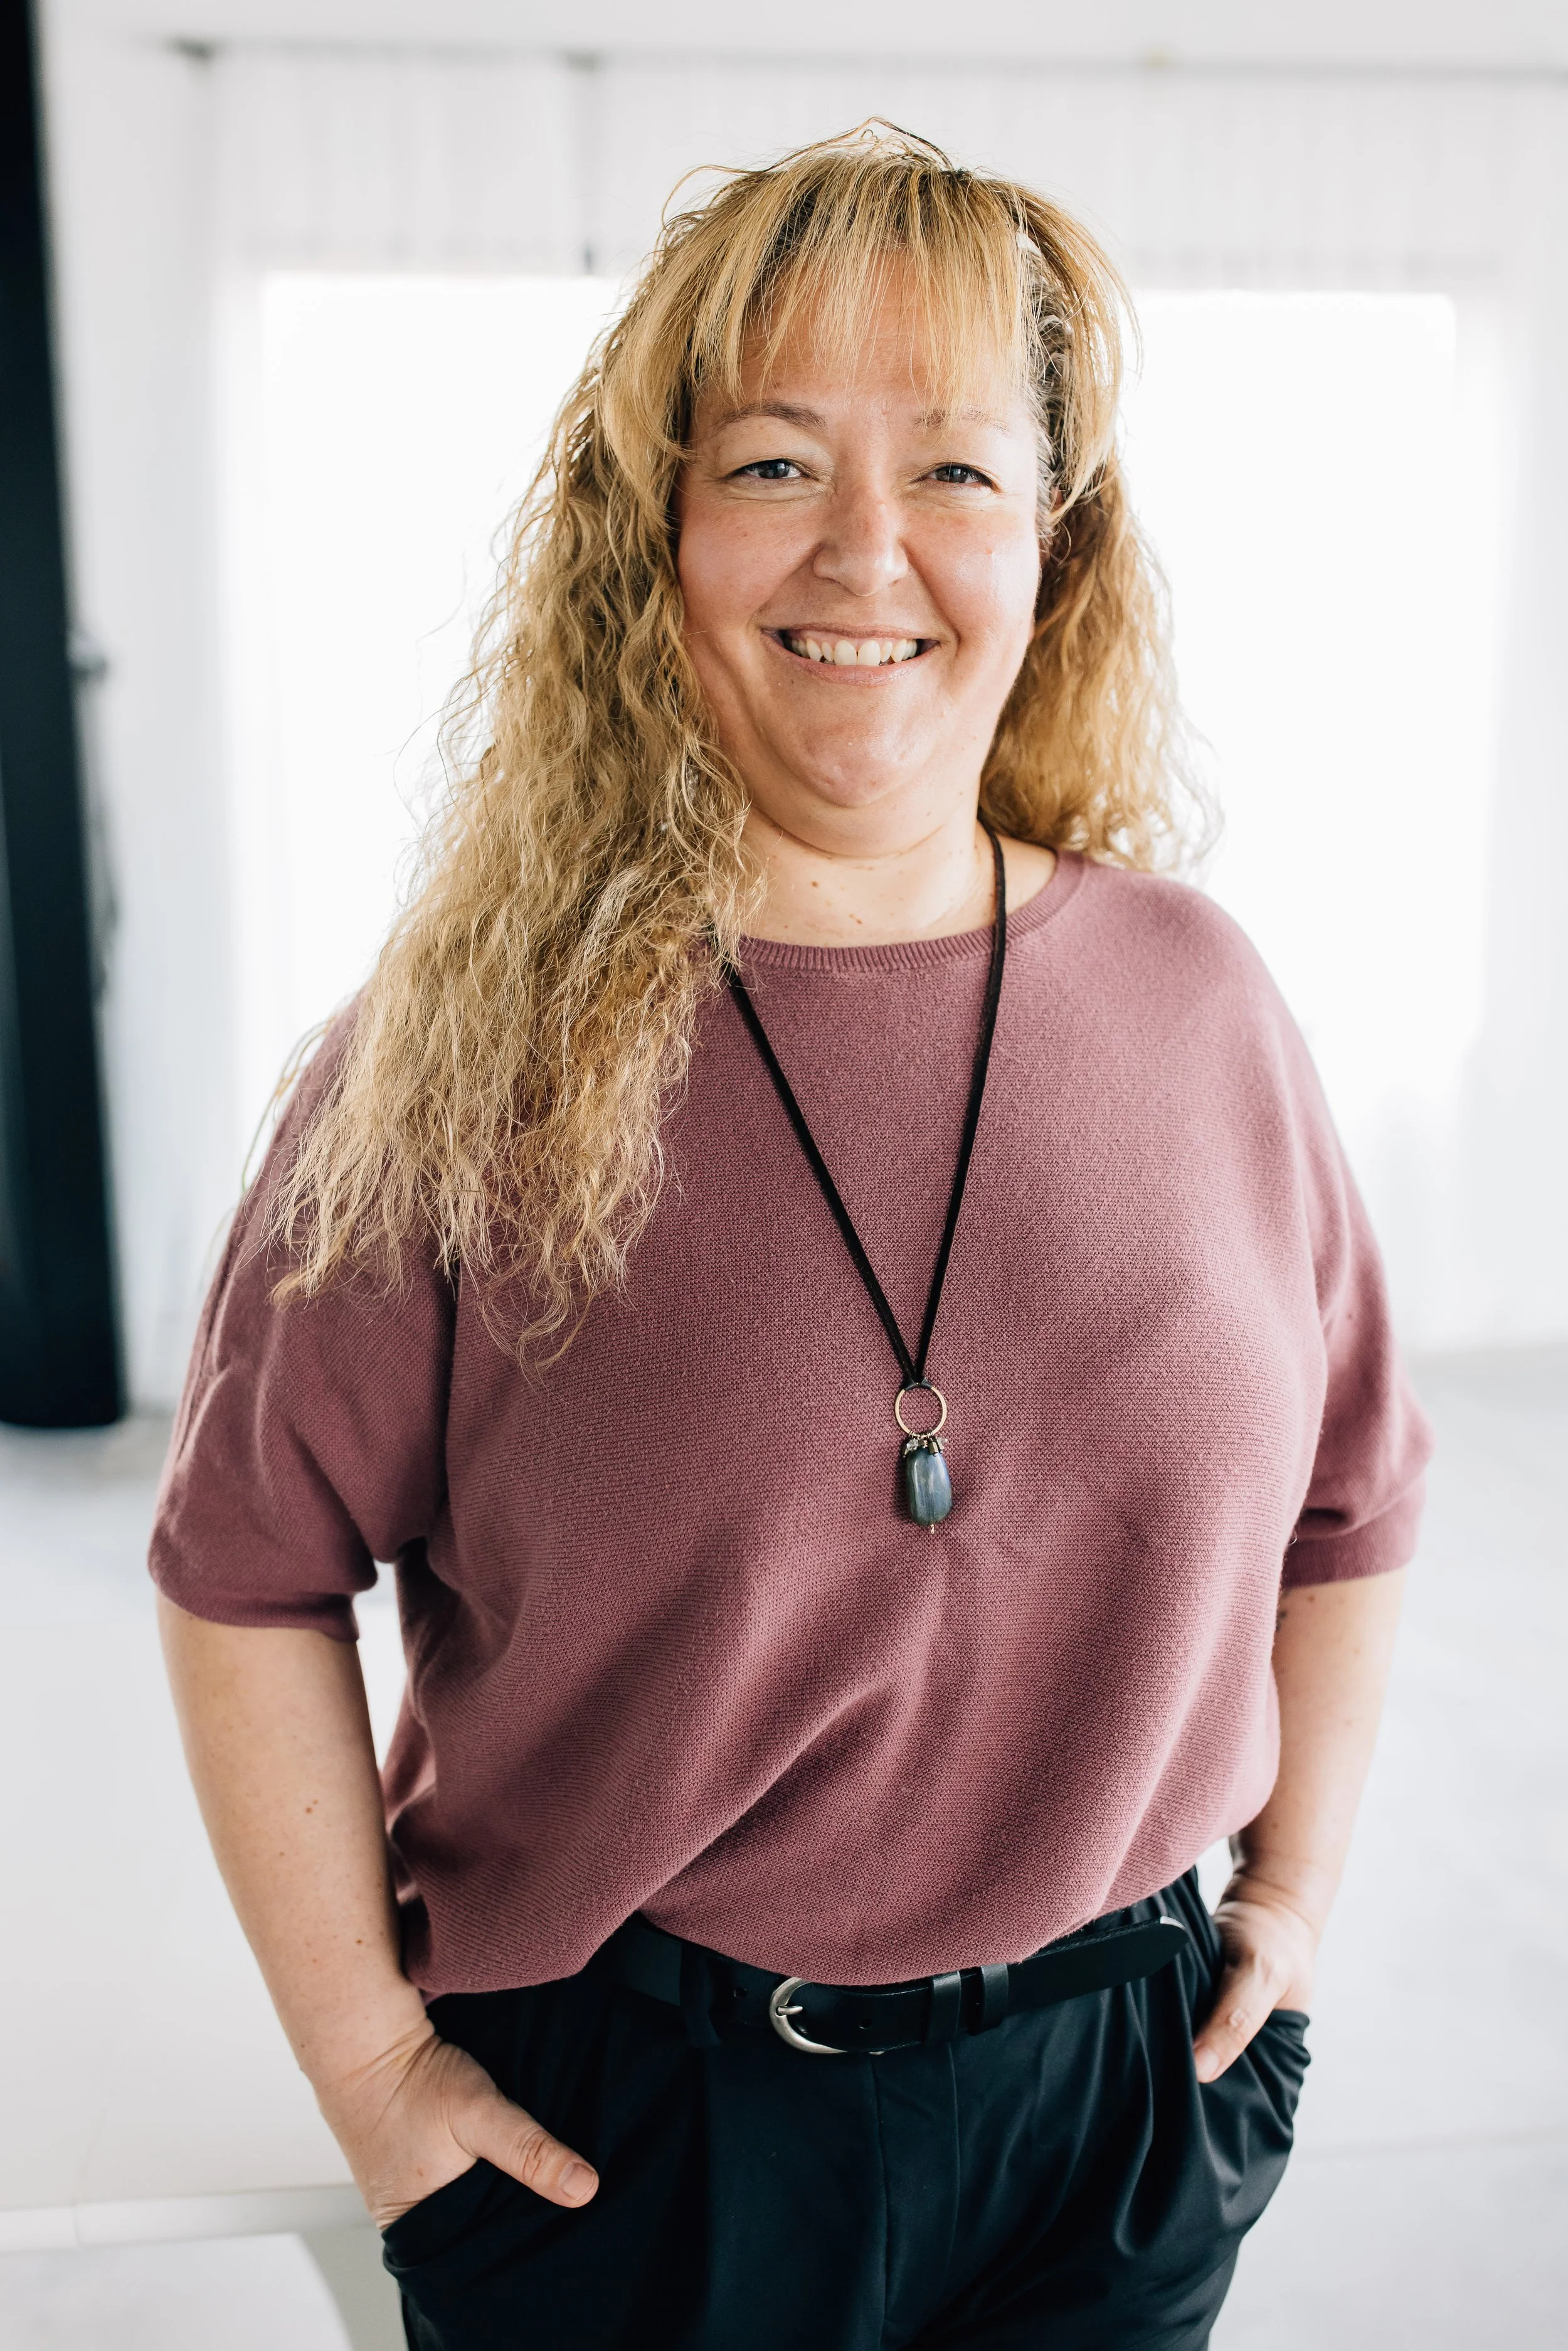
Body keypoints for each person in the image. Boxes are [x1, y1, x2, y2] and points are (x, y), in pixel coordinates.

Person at [151, 127, 1431, 2350]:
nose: (867, 550)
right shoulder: (455, 1051)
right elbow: (247, 1569)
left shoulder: (1199, 996)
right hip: (641, 2149)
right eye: (767, 460)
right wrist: (371, 2069)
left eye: (954, 465)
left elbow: (1355, 1495)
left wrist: (1293, 1901)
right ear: (651, 534)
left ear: (1055, 539)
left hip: (1118, 2117)